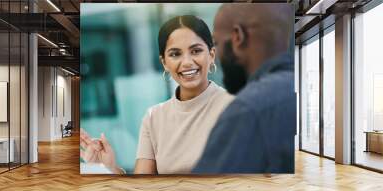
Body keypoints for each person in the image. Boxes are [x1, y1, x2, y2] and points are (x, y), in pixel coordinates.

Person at [80, 15, 234, 174]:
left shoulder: (236, 109)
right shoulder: (154, 117)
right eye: (175, 54)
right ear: (164, 63)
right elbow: (141, 188)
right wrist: (109, 169)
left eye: (196, 51)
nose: (187, 62)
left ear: (211, 55)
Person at [192, 4, 296, 173]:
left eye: (216, 43)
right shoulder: (298, 89)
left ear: (238, 37)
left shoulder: (247, 111)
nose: (215, 57)